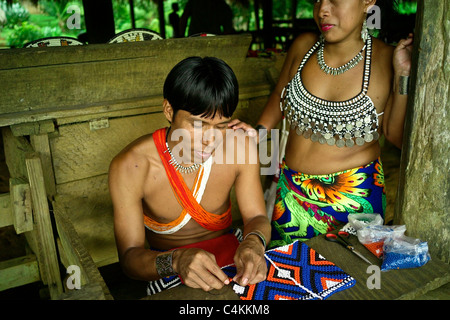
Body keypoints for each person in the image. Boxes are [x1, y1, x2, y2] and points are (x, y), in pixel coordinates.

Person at [229, 0, 413, 248]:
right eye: (317, 0)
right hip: (290, 194)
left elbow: (395, 136)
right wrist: (257, 133)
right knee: (289, 275)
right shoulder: (304, 47)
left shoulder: (387, 58)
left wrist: (403, 75)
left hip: (353, 205)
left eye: (334, 0)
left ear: (368, 2)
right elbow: (279, 98)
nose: (323, 10)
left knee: (346, 281)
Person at [109, 56, 271, 295]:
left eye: (221, 126)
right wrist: (177, 261)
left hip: (235, 256)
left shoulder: (239, 147)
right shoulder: (131, 166)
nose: (210, 139)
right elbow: (130, 259)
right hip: (168, 267)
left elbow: (256, 215)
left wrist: (253, 243)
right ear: (169, 110)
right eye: (197, 124)